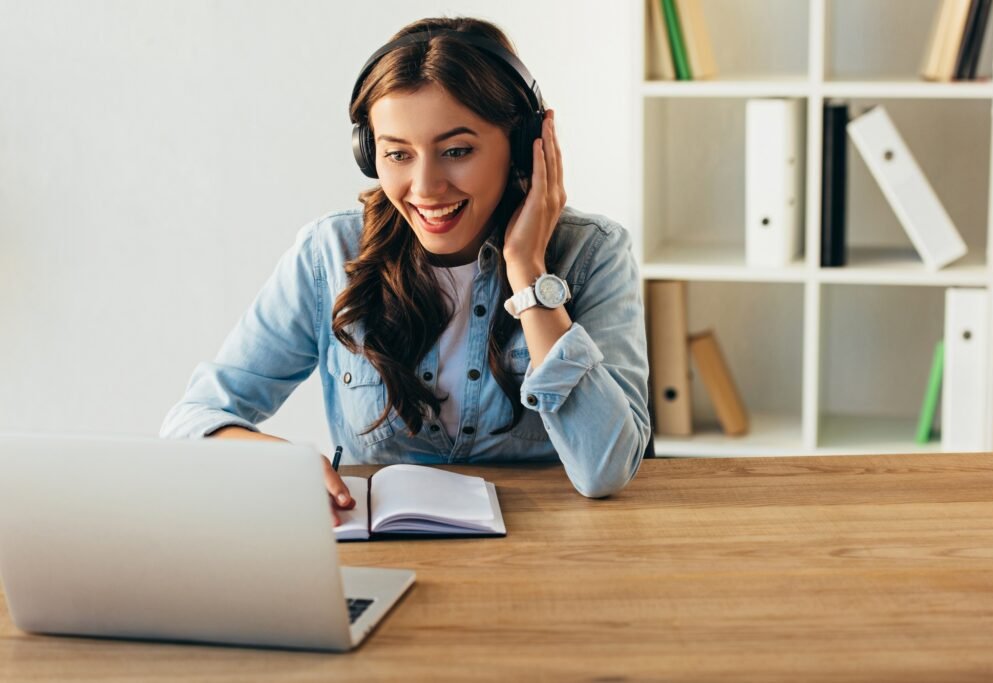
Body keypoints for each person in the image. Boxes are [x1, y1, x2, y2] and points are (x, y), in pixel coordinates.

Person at [160, 17, 650, 522]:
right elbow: (194, 419)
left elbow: (605, 471)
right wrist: (278, 462)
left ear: (527, 144)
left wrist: (527, 273)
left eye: (457, 151)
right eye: (397, 154)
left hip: (554, 559)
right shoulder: (329, 252)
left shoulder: (594, 254)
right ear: (370, 153)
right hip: (388, 555)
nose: (425, 187)